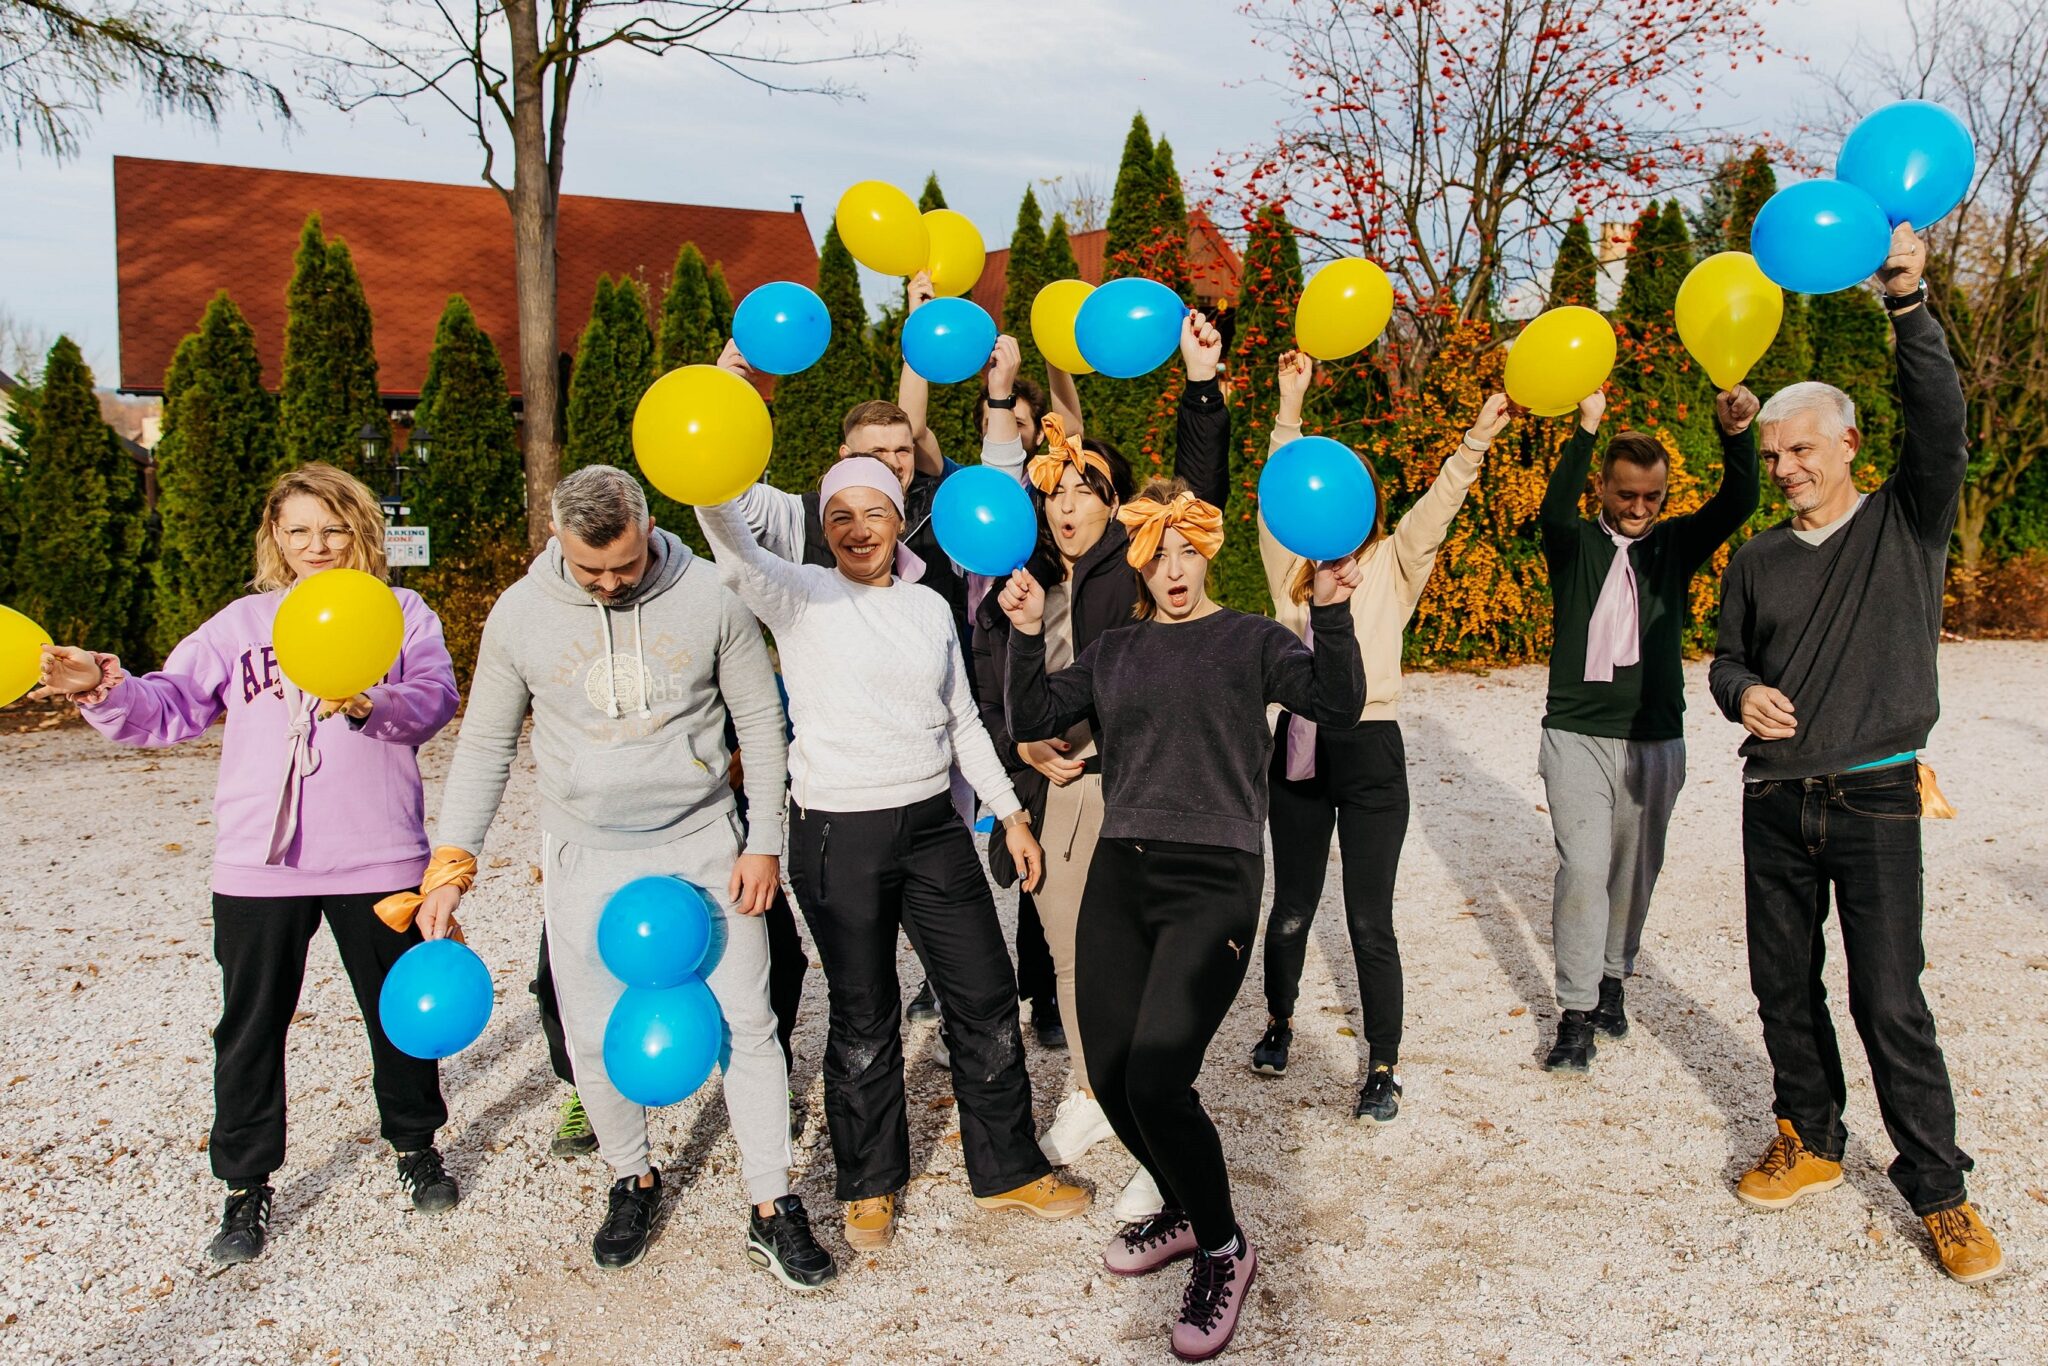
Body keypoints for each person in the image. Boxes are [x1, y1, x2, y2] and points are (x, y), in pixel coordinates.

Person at [401, 466, 832, 1287]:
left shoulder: (711, 596)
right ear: (557, 540)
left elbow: (762, 725)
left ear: (648, 528)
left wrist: (764, 843)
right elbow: (485, 745)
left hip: (704, 842)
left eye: (624, 566)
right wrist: (453, 863)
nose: (607, 583)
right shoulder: (519, 614)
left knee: (749, 1024)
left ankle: (773, 1203)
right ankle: (630, 1178)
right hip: (586, 854)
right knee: (594, 1033)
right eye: (588, 568)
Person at [31, 463, 461, 1266]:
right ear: (276, 538)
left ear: (361, 531)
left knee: (398, 1014)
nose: (317, 546)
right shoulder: (241, 624)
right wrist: (102, 690)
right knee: (250, 1024)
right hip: (261, 865)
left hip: (377, 856)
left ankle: (415, 1144)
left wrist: (370, 702)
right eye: (299, 531)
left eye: (333, 529)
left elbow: (436, 699)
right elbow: (171, 706)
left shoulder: (402, 613)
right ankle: (245, 1182)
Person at [1000, 478, 1364, 1361]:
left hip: (1214, 877)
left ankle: (1225, 1247)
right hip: (1121, 875)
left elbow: (1337, 703)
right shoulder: (1116, 649)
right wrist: (1024, 633)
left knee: (1159, 1079)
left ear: (1208, 555)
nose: (1173, 568)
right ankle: (1186, 1206)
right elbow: (1036, 714)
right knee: (1113, 1072)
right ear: (1139, 563)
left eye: (1187, 551)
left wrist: (1331, 610)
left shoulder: (1252, 639)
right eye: (1158, 554)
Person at [1708, 224, 2003, 1286]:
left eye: (1800, 450)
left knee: (1887, 997)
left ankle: (1940, 1190)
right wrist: (1740, 692)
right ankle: (1812, 1137)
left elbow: (1940, 419)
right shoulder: (1754, 559)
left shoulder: (1905, 523)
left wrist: (1907, 304)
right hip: (1774, 800)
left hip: (1875, 795)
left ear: (1845, 446)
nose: (1784, 468)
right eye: (1772, 455)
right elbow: (1726, 658)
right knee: (1781, 987)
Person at [698, 457, 1088, 1252]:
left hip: (933, 827)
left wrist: (1012, 813)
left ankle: (1008, 1170)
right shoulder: (800, 594)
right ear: (822, 528)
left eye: (872, 513)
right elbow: (735, 550)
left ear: (898, 521)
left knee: (985, 995)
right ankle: (869, 1182)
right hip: (837, 835)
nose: (857, 530)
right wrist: (708, 470)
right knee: (864, 1013)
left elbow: (961, 719)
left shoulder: (927, 606)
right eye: (839, 515)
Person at [971, 311, 1229, 1219]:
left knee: (1140, 967)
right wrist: (1023, 744)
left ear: (1116, 505)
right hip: (1053, 794)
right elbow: (989, 686)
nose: (1067, 504)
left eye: (1086, 490)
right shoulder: (1030, 577)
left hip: (1134, 791)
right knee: (1071, 953)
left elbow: (1199, 492)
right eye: (1055, 492)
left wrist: (1202, 387)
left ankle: (1152, 1131)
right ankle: (1094, 1089)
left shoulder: (1137, 564)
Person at [1252, 351, 1508, 1124]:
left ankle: (1383, 1067)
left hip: (1371, 750)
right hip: (1299, 746)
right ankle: (1279, 1022)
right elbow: (1276, 489)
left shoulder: (1395, 562)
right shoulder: (1292, 565)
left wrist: (1476, 440)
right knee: (1291, 908)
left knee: (1370, 920)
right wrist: (1288, 406)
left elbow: (1440, 503)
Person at [1535, 376, 1760, 1071]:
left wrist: (1736, 434)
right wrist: (1585, 427)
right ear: (1603, 488)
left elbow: (1741, 501)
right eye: (1626, 494)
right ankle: (1575, 1013)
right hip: (1576, 732)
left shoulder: (1676, 545)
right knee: (1583, 868)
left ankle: (1612, 979)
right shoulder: (1574, 544)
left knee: (1634, 872)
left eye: (1652, 497)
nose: (1638, 508)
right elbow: (1551, 509)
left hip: (1655, 737)